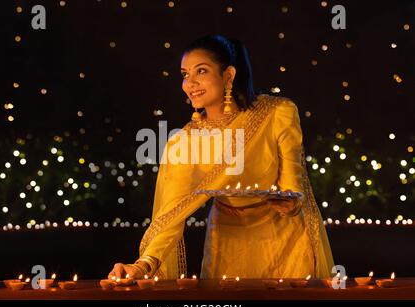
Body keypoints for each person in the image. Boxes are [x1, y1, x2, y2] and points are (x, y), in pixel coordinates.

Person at [108, 34, 334, 280]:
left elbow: (293, 181)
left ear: (228, 76)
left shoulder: (277, 113)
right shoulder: (184, 142)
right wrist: (142, 266)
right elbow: (171, 216)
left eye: (201, 71)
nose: (190, 83)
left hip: (285, 241)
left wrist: (291, 203)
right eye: (185, 74)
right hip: (226, 244)